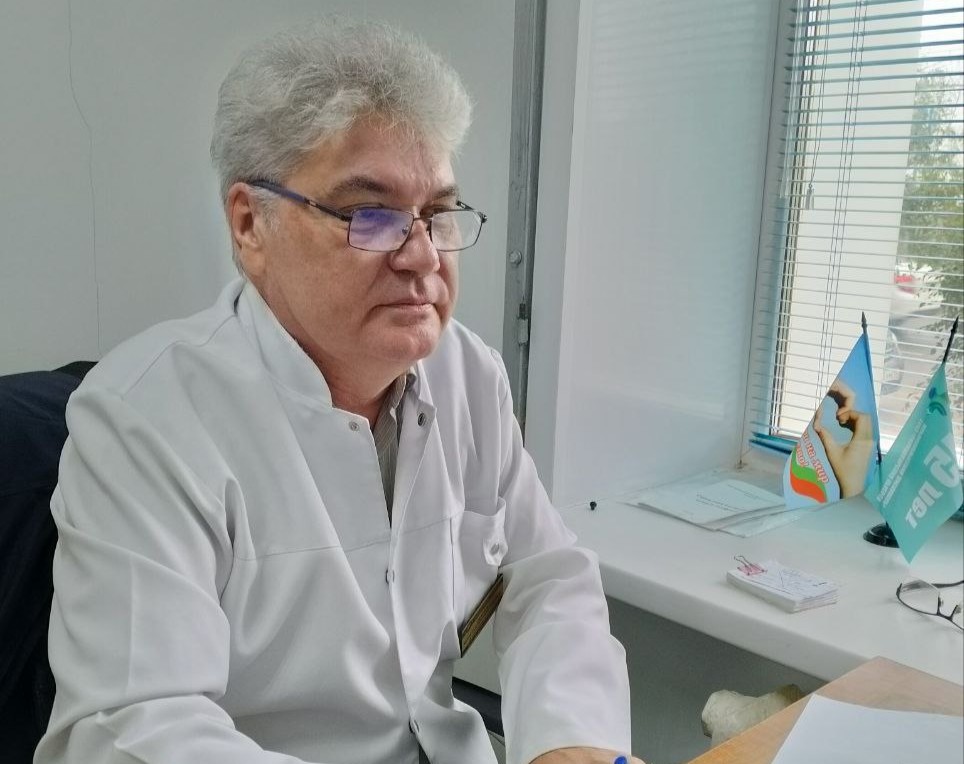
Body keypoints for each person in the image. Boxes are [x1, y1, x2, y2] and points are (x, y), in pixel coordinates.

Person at [35, 18, 642, 764]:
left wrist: (570, 741)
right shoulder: (146, 420)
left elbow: (547, 582)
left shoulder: (467, 373)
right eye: (369, 216)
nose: (422, 256)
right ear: (250, 224)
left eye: (437, 214)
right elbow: (130, 728)